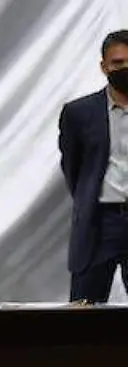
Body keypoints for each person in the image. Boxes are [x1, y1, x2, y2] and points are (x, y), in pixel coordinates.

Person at [59, 31, 128, 303]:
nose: (125, 69)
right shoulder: (78, 113)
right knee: (84, 312)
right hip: (99, 224)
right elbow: (72, 168)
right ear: (104, 66)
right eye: (118, 63)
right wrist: (88, 200)